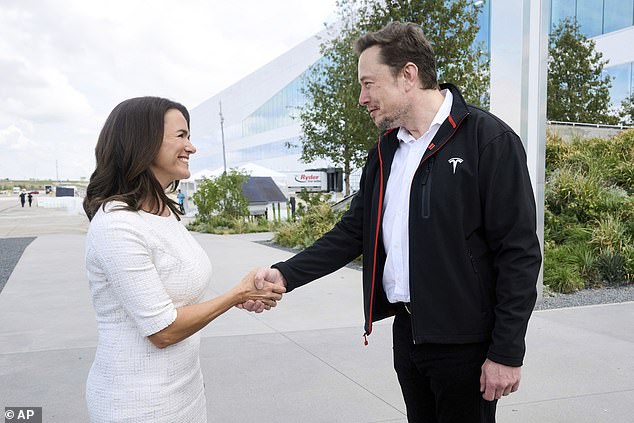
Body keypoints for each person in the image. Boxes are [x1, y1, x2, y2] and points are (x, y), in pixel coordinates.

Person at [243, 22, 541, 423]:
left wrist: (506, 351)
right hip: (409, 333)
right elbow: (352, 233)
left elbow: (519, 253)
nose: (362, 98)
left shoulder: (488, 140)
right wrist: (284, 274)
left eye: (369, 84)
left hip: (466, 343)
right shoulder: (385, 152)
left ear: (408, 76)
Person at [83, 96, 285, 423]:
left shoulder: (164, 212)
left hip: (185, 394)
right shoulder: (116, 225)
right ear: (142, 142)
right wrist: (238, 294)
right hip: (137, 405)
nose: (191, 147)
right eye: (181, 136)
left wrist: (242, 295)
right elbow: (162, 330)